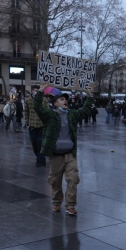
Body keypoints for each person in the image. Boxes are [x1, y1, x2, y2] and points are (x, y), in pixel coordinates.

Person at [34, 83, 93, 216]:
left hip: (69, 154)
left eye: (65, 99)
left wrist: (89, 97)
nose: (65, 101)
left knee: (73, 179)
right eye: (61, 99)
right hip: (55, 155)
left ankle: (70, 205)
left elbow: (85, 111)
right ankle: (56, 203)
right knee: (55, 181)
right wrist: (40, 93)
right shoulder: (50, 116)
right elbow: (37, 107)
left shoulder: (72, 114)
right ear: (55, 104)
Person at [26, 89, 47, 167]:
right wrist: (27, 123)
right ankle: (38, 157)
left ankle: (41, 160)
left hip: (42, 125)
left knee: (40, 142)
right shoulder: (28, 100)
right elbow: (26, 111)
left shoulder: (44, 100)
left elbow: (47, 110)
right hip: (32, 126)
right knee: (34, 143)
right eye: (34, 91)